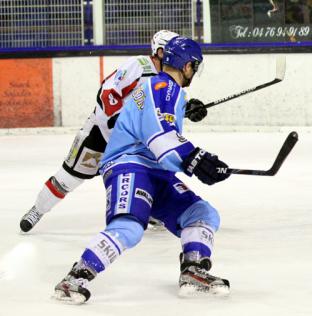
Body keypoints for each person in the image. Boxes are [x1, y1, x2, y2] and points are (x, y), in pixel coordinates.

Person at [53, 36, 231, 304]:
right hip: (130, 164)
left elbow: (162, 126)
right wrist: (196, 158)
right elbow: (159, 136)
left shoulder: (166, 89)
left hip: (156, 170)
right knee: (130, 227)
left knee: (202, 213)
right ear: (187, 66)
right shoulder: (162, 86)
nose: (194, 71)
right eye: (194, 66)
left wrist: (186, 110)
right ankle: (74, 279)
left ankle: (193, 270)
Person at [19, 30, 208, 233]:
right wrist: (121, 121)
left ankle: (148, 210)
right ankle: (38, 209)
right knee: (69, 177)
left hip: (133, 145)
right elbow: (108, 93)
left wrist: (187, 109)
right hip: (101, 135)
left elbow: (163, 115)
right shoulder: (139, 66)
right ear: (161, 52)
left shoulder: (172, 81)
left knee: (149, 175)